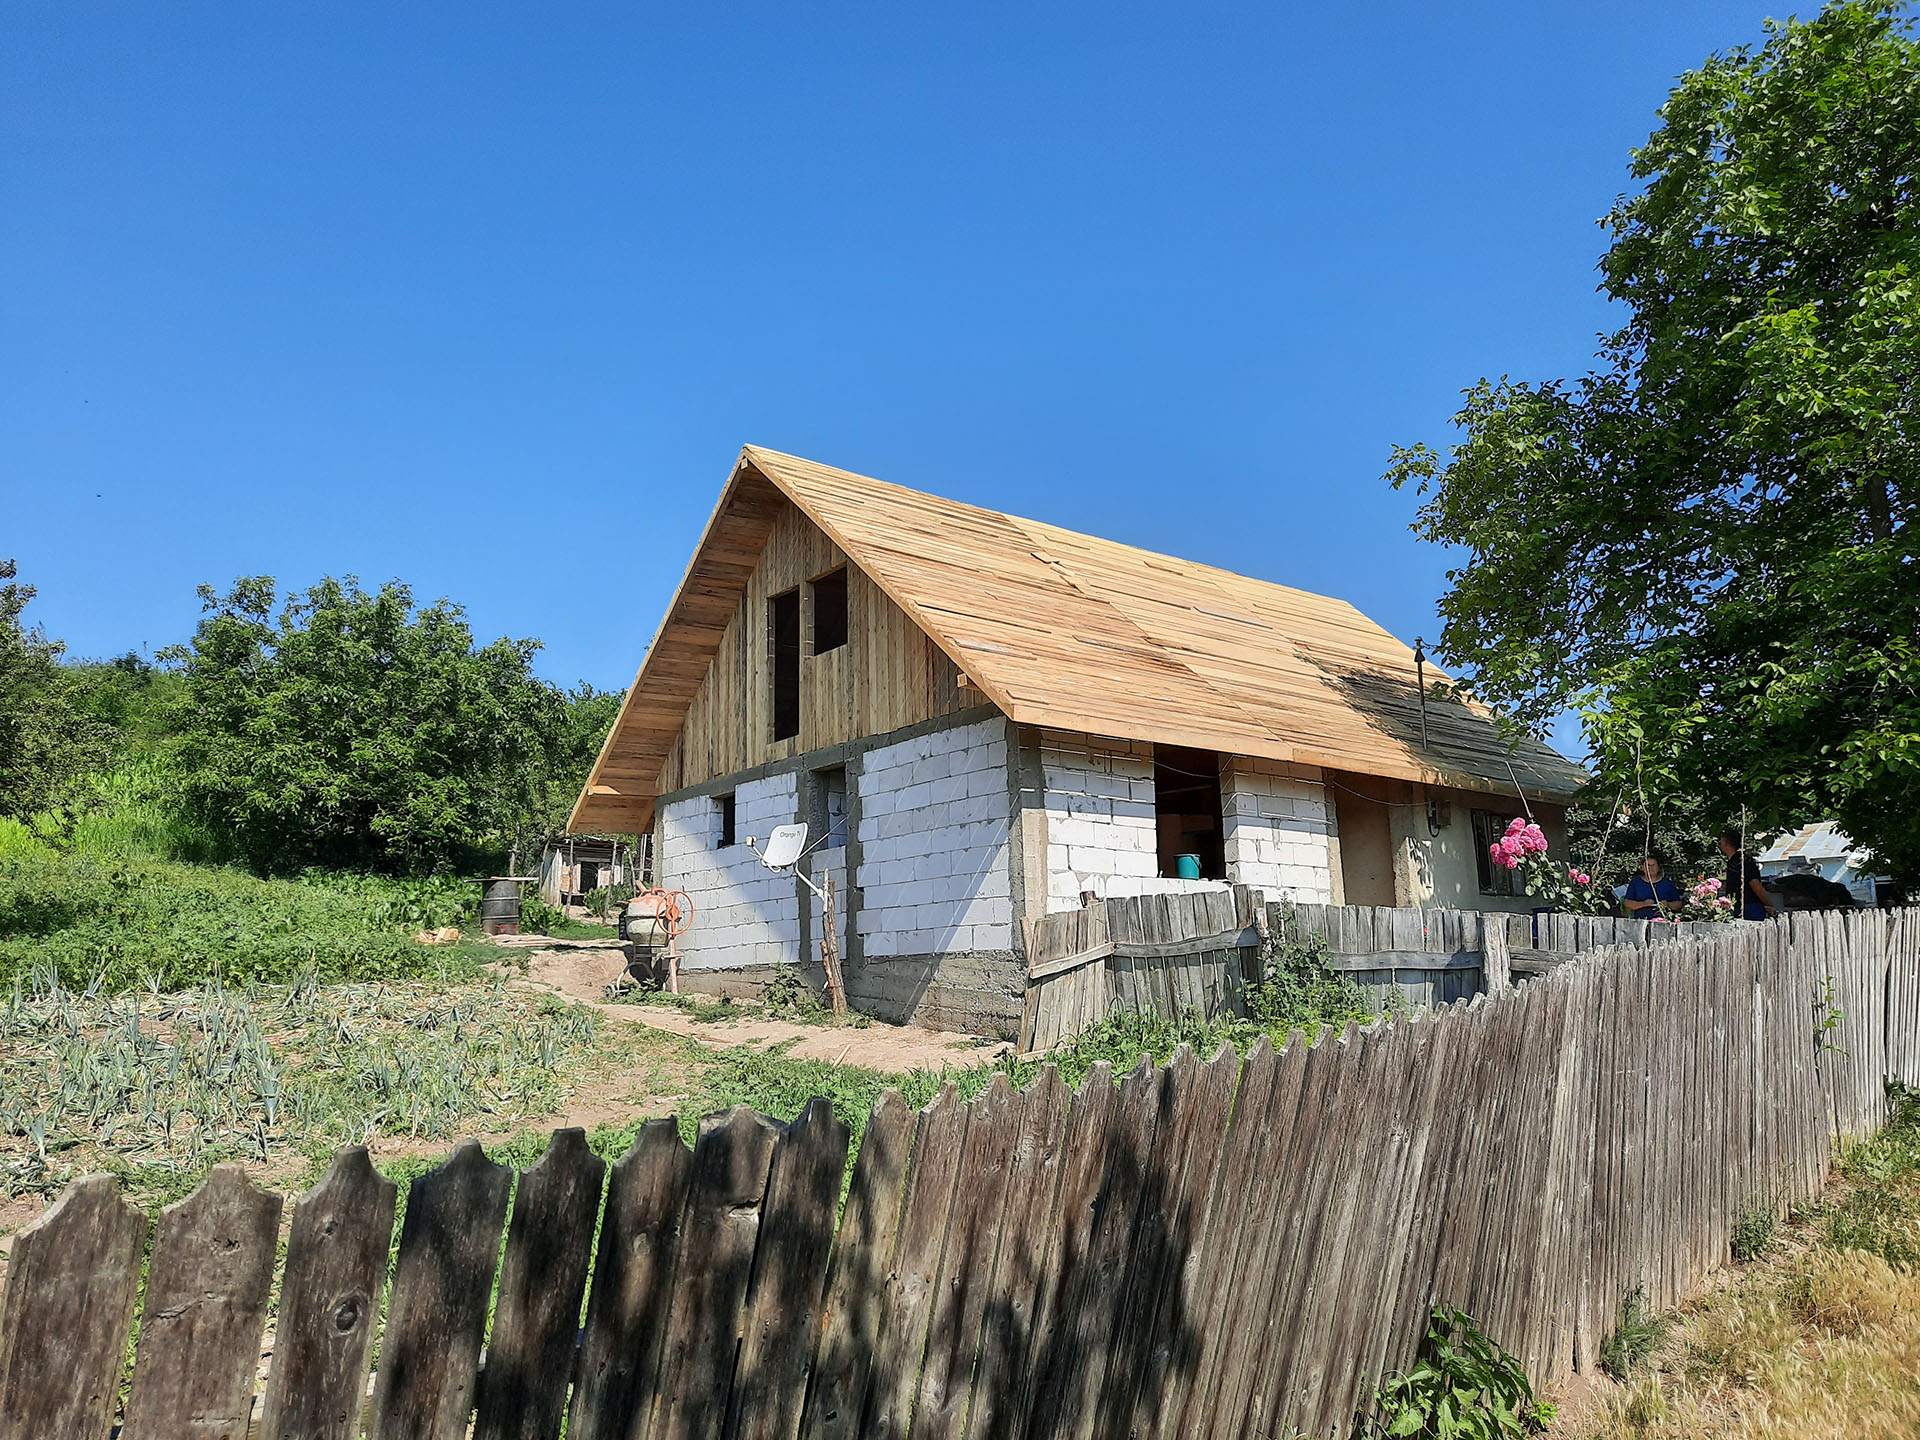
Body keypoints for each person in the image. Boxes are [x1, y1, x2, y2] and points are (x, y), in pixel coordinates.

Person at [1720, 826, 1780, 921]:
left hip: (1750, 907)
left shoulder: (1744, 861)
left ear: (1726, 843)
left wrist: (1769, 905)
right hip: (1736, 906)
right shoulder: (1732, 862)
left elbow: (1756, 886)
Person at [1622, 854, 1681, 921]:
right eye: (1648, 865)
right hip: (1641, 921)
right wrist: (1643, 904)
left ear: (1658, 867)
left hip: (1664, 921)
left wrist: (1667, 904)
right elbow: (1627, 903)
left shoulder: (1667, 884)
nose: (1650, 868)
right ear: (1642, 867)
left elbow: (1679, 904)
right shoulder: (1635, 883)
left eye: (1653, 865)